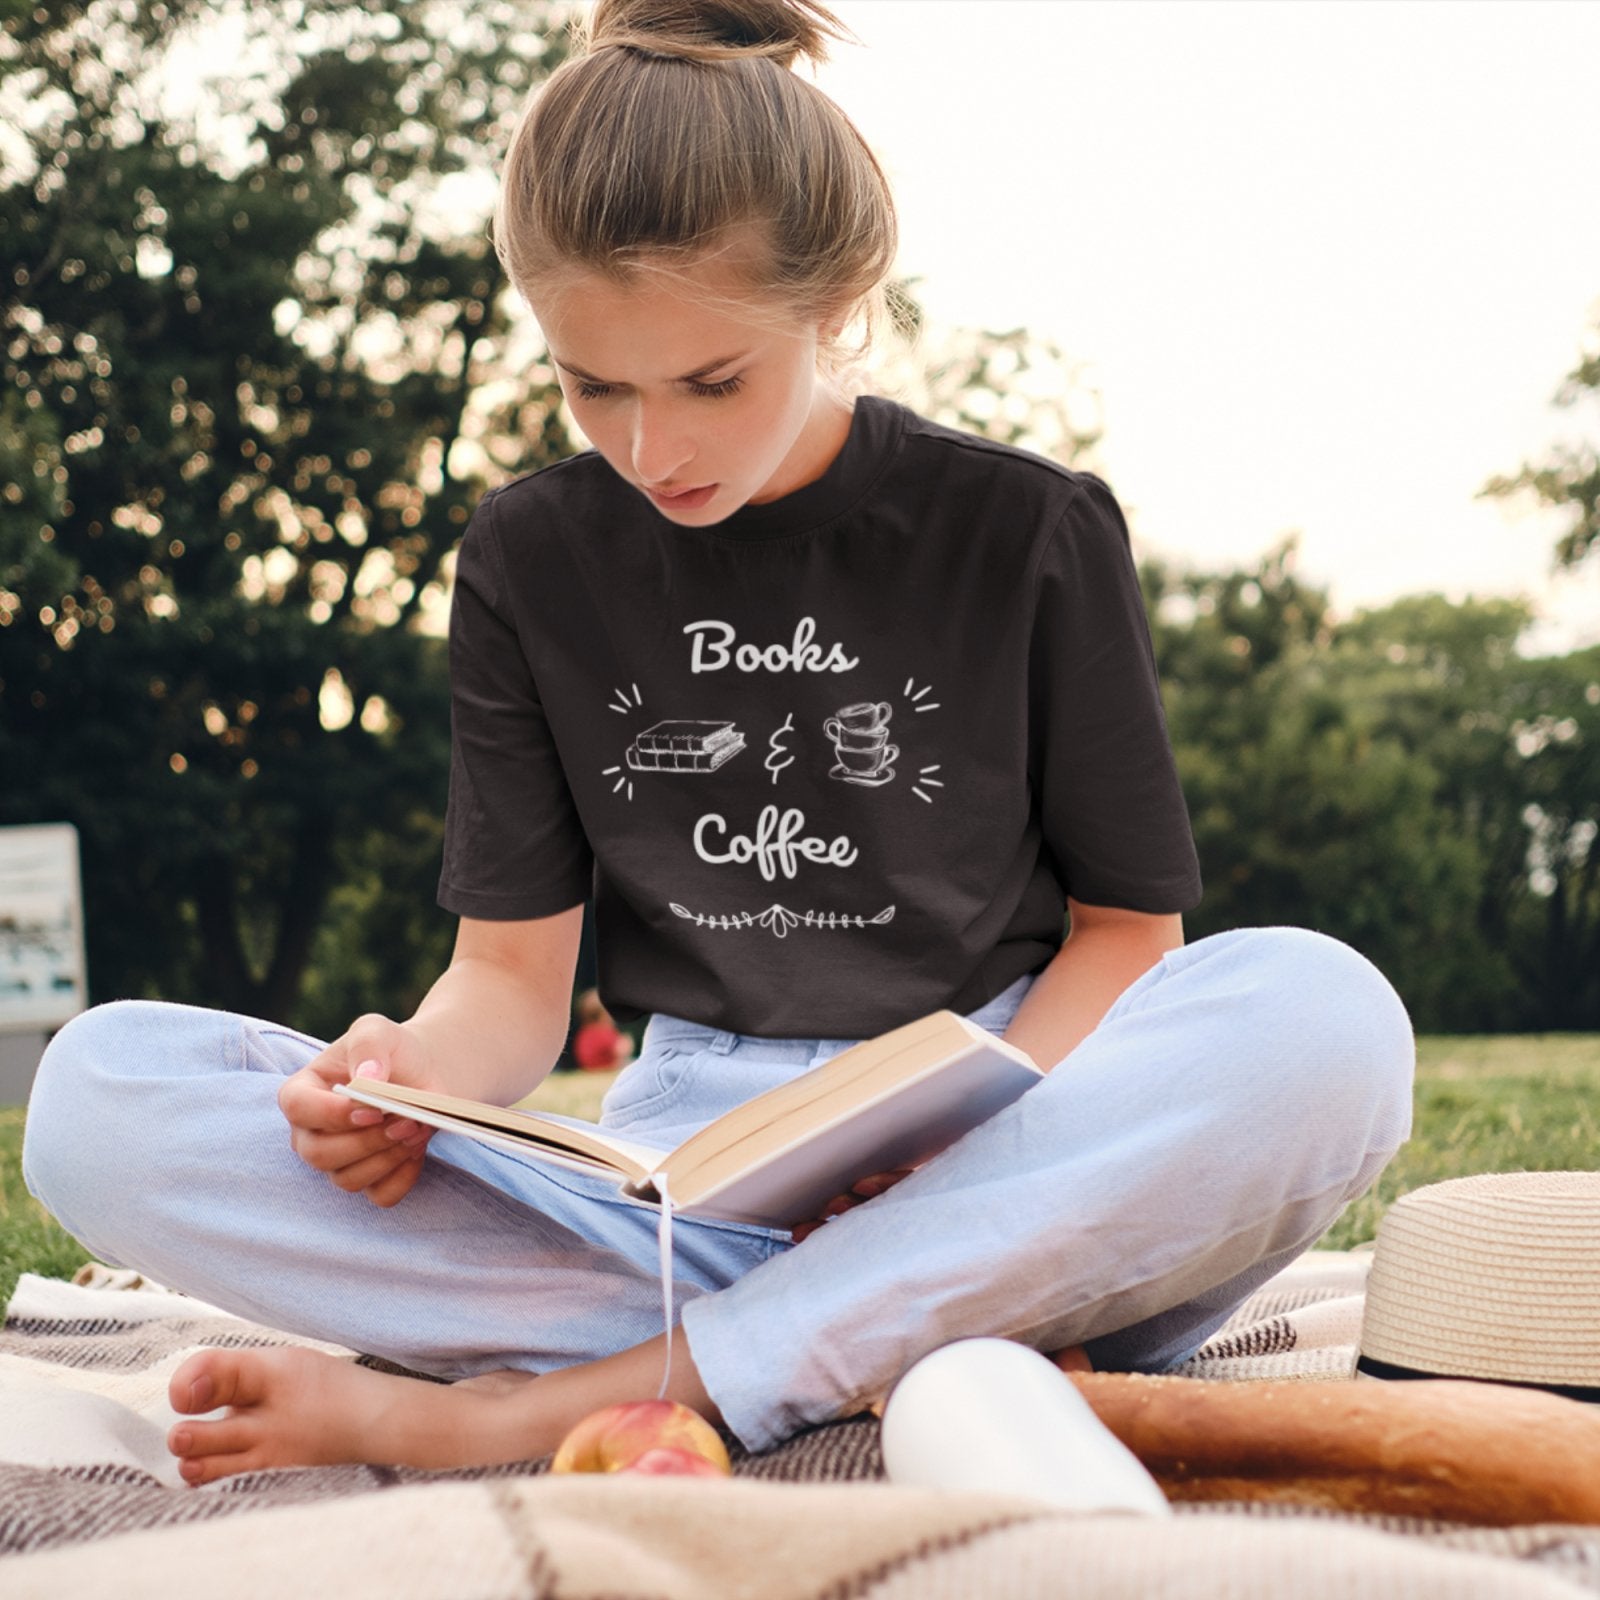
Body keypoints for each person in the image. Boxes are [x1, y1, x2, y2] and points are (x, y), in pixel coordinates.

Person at [21, 0, 1414, 1485]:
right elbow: (506, 986)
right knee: (98, 1099)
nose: (649, 449)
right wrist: (402, 1082)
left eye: (709, 383)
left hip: (1008, 1128)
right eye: (591, 384)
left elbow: (1131, 935)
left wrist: (971, 1138)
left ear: (841, 302)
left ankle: (526, 1407)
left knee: (1325, 1019)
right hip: (678, 1185)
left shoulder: (1027, 528)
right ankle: (907, 1335)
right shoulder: (528, 556)